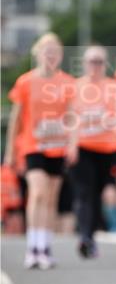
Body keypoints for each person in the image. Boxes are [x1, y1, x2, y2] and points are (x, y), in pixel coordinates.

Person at [4, 33, 76, 269]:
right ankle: (32, 247)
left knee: (51, 198)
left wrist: (73, 144)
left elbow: (73, 117)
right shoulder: (25, 82)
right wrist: (10, 152)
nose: (51, 55)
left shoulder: (67, 82)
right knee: (37, 192)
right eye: (46, 51)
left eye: (55, 51)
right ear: (37, 54)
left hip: (58, 147)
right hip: (32, 146)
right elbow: (16, 117)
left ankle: (45, 247)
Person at [70, 45, 116, 258]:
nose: (96, 65)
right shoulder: (76, 87)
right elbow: (71, 118)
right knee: (84, 193)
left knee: (97, 193)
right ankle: (85, 236)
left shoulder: (113, 87)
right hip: (83, 147)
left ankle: (90, 235)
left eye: (99, 61)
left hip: (107, 148)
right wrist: (71, 145)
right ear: (84, 64)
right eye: (92, 61)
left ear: (105, 64)